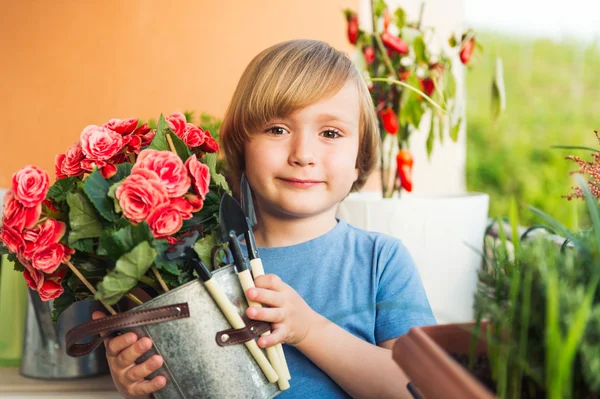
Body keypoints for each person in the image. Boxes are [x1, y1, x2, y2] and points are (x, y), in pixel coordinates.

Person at [93, 39, 436, 399]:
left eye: (330, 133)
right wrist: (138, 383)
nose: (303, 154)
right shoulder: (202, 262)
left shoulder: (382, 261)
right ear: (242, 148)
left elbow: (419, 390)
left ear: (358, 160)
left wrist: (309, 331)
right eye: (277, 130)